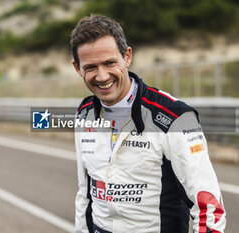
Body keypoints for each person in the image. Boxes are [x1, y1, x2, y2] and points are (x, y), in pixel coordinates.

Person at [71, 14, 226, 233]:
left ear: (127, 56)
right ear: (77, 68)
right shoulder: (83, 115)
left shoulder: (175, 117)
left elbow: (209, 209)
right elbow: (84, 194)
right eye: (90, 67)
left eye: (109, 63)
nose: (102, 76)